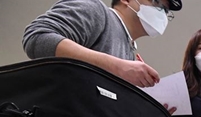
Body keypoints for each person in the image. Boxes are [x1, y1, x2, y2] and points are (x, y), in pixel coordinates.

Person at [23, 0, 181, 88]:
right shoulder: (97, 11)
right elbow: (37, 37)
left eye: (166, 11)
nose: (162, 13)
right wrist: (117, 66)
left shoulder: (129, 52)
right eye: (156, 2)